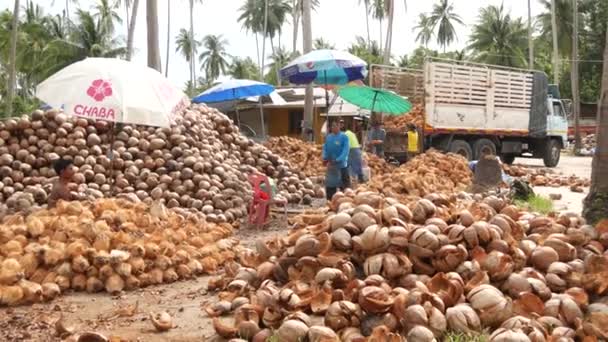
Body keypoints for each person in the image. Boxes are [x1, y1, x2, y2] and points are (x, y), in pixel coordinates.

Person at [323, 120, 351, 200]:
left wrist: (338, 159)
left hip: (341, 166)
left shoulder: (344, 137)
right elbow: (325, 148)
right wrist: (325, 157)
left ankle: (345, 202)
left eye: (335, 126)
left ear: (339, 126)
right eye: (332, 126)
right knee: (330, 186)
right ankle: (330, 202)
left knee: (344, 188)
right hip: (331, 166)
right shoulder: (328, 137)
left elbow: (346, 150)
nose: (333, 127)